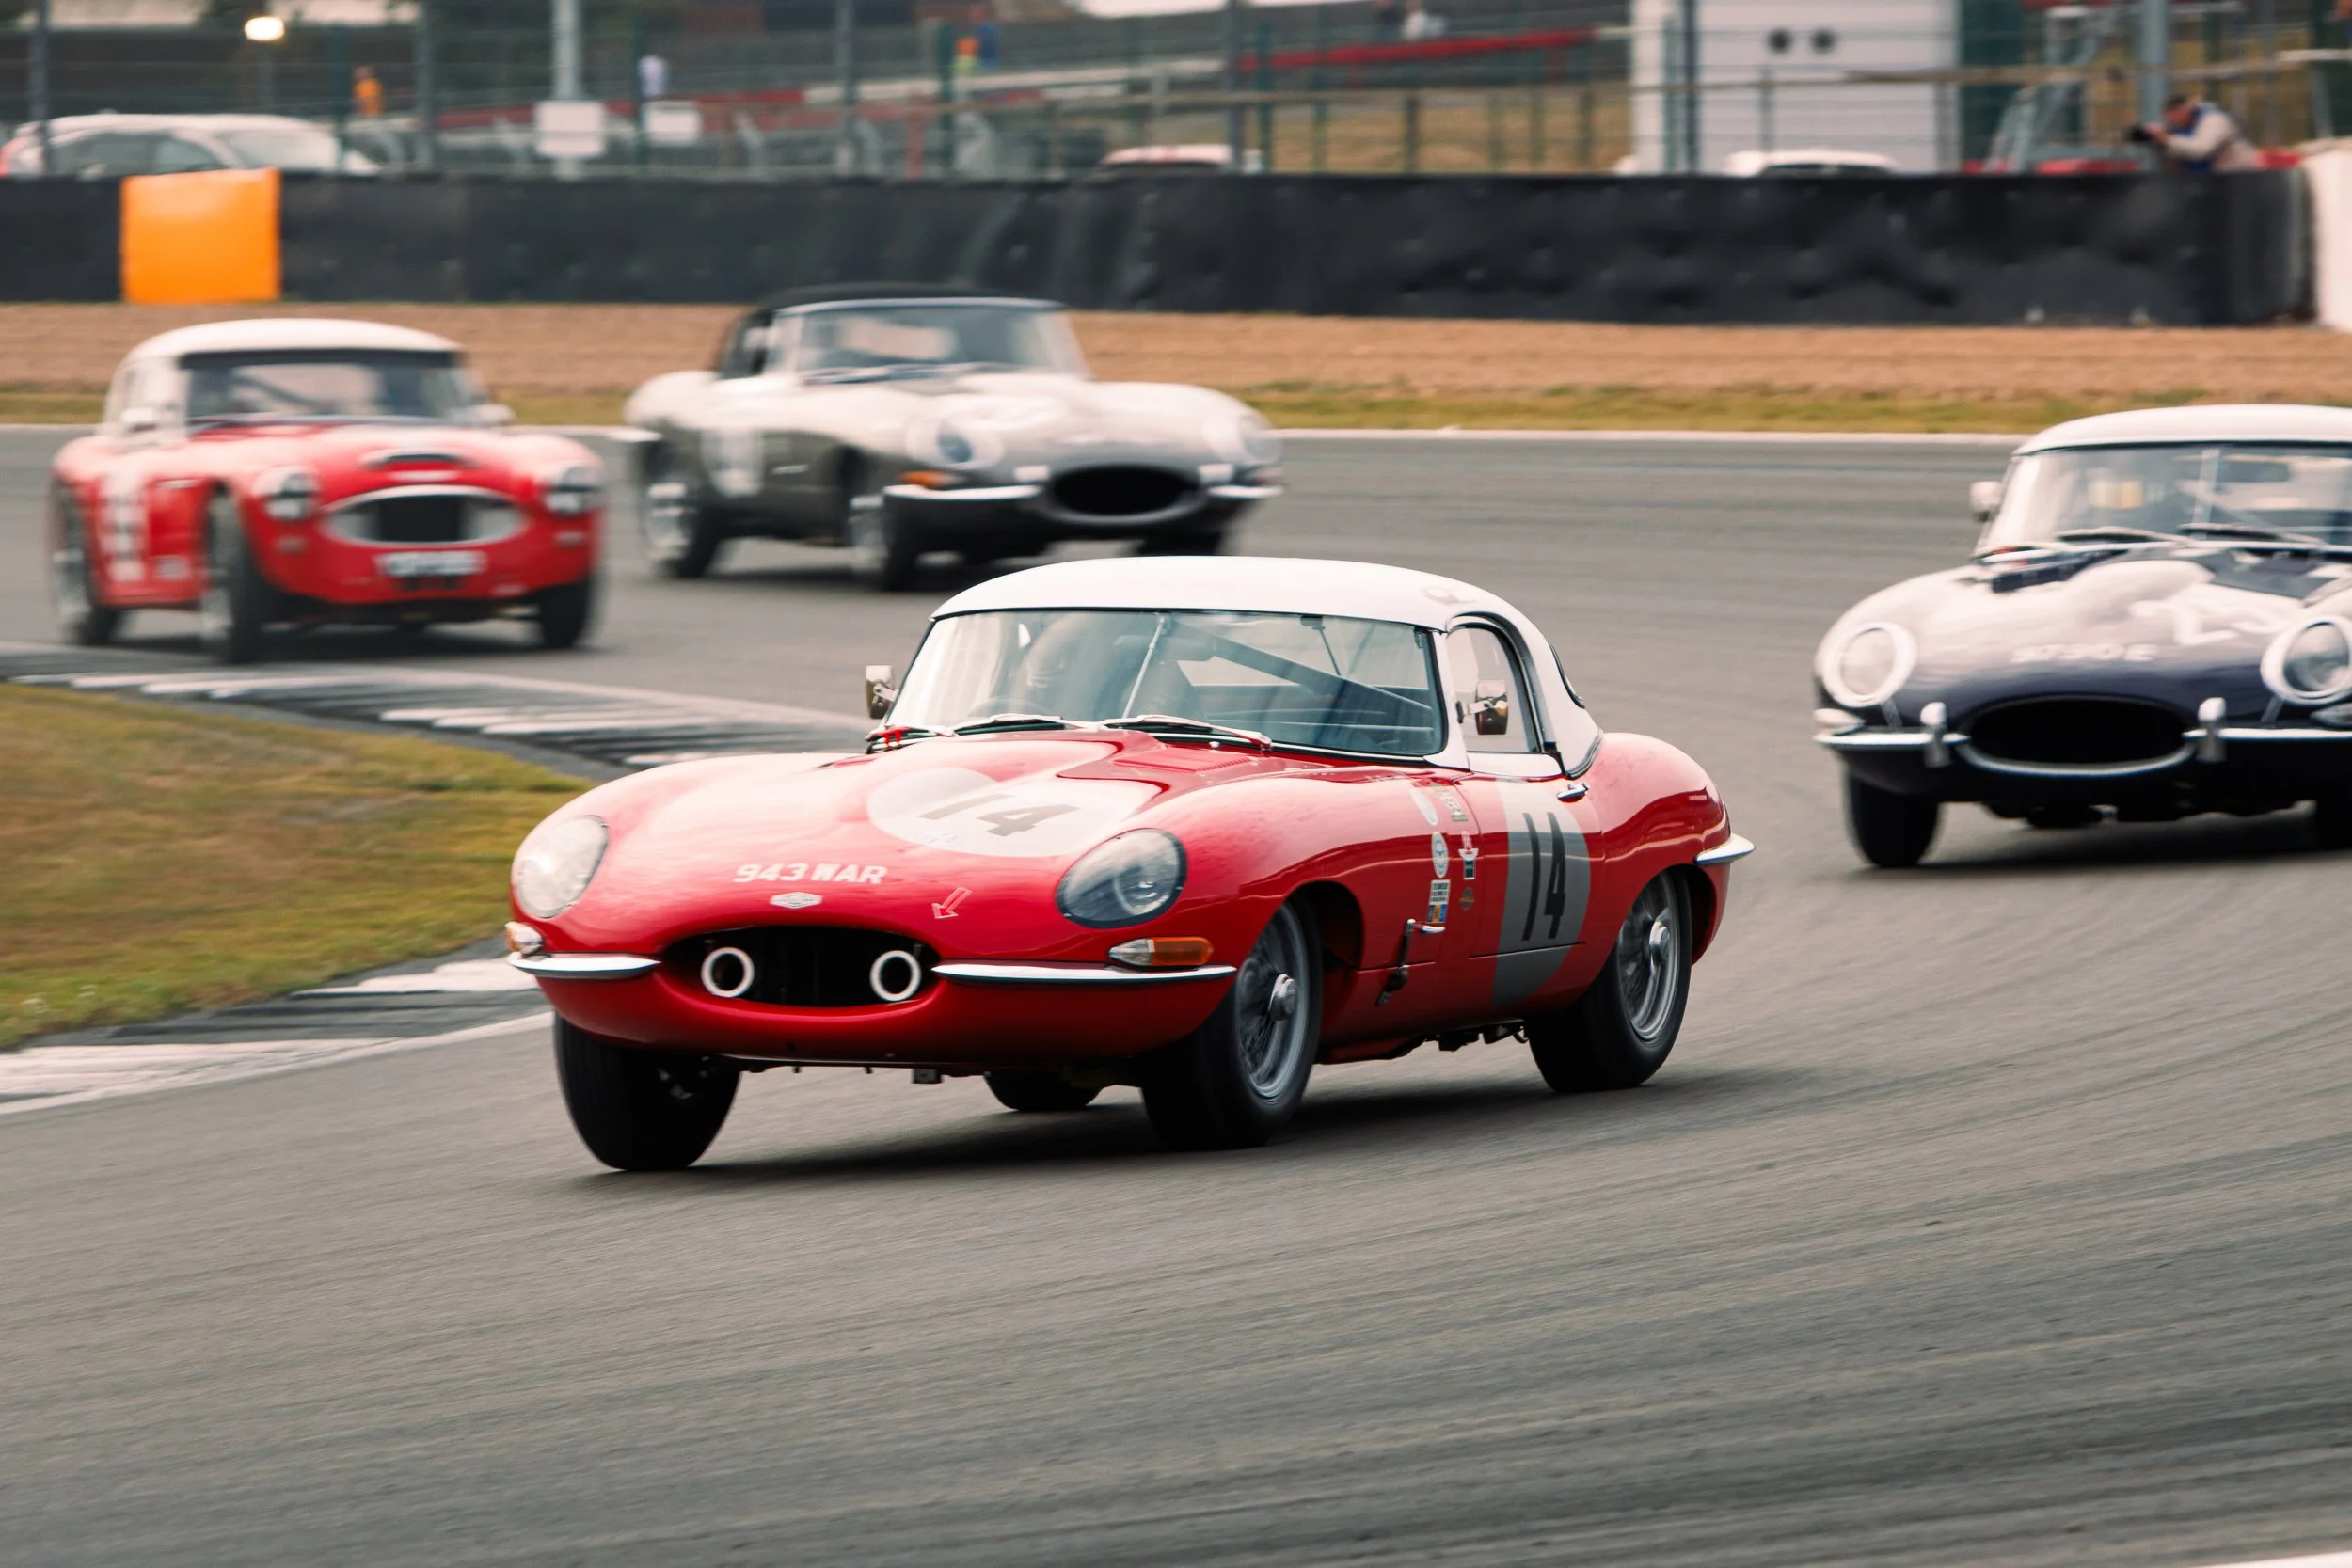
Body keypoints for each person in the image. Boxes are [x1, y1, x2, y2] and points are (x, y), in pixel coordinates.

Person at [2135, 93, 2259, 172]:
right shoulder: (2182, 128)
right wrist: (2159, 143)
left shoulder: (2214, 119)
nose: (2171, 120)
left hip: (2238, 177)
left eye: (2173, 115)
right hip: (2212, 181)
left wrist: (2167, 139)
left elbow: (2201, 149)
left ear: (2183, 110)